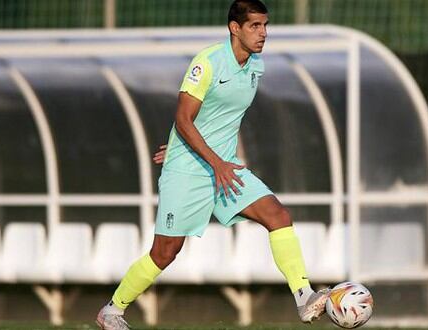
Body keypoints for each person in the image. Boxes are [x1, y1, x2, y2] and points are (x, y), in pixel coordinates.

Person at [96, 1, 329, 329]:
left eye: (265, 25)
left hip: (225, 168)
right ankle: (112, 310)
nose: (263, 33)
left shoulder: (255, 66)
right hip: (191, 172)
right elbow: (183, 116)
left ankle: (303, 296)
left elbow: (216, 120)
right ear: (235, 28)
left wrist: (199, 152)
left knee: (278, 215)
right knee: (165, 252)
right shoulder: (207, 63)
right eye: (255, 26)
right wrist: (194, 154)